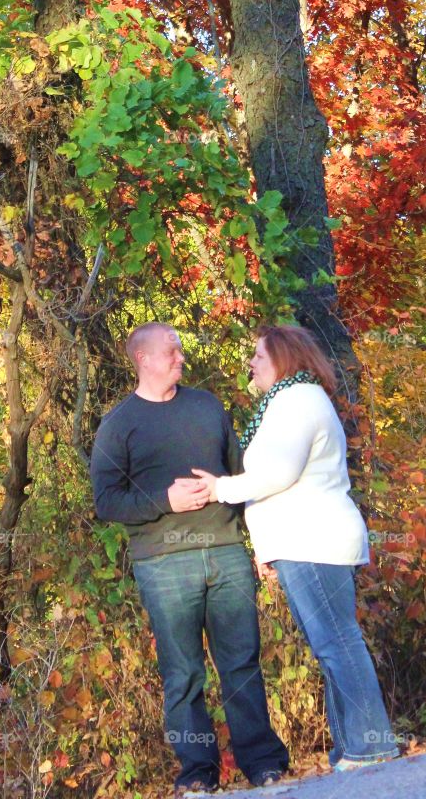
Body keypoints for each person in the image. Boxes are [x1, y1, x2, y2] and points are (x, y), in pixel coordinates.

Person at [188, 325, 400, 772]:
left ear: (284, 358)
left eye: (259, 356)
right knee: (331, 645)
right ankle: (353, 749)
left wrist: (219, 488)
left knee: (337, 642)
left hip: (314, 539)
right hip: (303, 539)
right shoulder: (292, 400)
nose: (251, 364)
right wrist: (267, 548)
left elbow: (278, 473)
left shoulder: (298, 401)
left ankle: (371, 747)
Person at [90, 322, 289, 795]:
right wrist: (165, 500)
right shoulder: (119, 425)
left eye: (179, 351)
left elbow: (241, 479)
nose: (181, 358)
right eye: (171, 351)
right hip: (163, 563)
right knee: (182, 673)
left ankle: (263, 765)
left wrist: (260, 545)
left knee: (241, 663)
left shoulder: (207, 406)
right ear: (142, 358)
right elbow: (106, 502)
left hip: (225, 554)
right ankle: (198, 774)